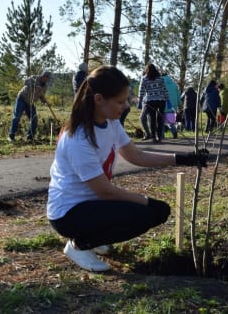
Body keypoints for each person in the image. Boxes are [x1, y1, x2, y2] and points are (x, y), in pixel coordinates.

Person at [47, 66, 208, 272]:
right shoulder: (79, 139)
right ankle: (79, 246)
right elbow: (104, 191)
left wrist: (182, 159)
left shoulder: (111, 123)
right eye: (120, 101)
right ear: (99, 99)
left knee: (152, 212)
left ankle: (92, 238)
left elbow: (135, 155)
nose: (126, 106)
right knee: (145, 214)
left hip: (91, 204)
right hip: (68, 214)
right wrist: (147, 201)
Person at [8, 71, 52, 142]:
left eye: (48, 79)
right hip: (22, 98)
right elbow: (25, 82)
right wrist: (35, 86)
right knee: (17, 117)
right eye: (47, 78)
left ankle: (29, 138)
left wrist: (45, 103)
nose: (47, 80)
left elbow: (42, 97)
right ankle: (11, 136)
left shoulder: (45, 86)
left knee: (34, 120)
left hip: (30, 103)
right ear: (43, 76)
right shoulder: (34, 78)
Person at [138, 64, 169, 143]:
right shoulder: (161, 78)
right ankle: (159, 137)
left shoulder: (144, 79)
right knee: (160, 119)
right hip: (161, 100)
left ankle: (154, 137)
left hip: (150, 101)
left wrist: (140, 100)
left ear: (147, 70)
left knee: (152, 119)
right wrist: (168, 100)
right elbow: (164, 90)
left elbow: (141, 91)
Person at [162, 73, 181, 139]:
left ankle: (162, 136)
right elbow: (178, 96)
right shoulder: (174, 84)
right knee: (171, 122)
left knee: (161, 122)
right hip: (172, 106)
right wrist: (179, 104)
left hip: (163, 105)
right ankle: (174, 132)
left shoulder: (161, 84)